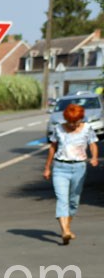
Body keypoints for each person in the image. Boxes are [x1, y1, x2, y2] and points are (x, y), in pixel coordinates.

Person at [43, 103, 98, 245]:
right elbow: (52, 148)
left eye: (76, 121)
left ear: (81, 118)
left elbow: (92, 144)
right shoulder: (58, 129)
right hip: (60, 167)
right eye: (70, 121)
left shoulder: (87, 128)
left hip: (79, 168)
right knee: (62, 200)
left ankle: (67, 227)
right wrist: (47, 168)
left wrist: (94, 157)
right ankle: (65, 232)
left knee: (74, 201)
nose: (73, 124)